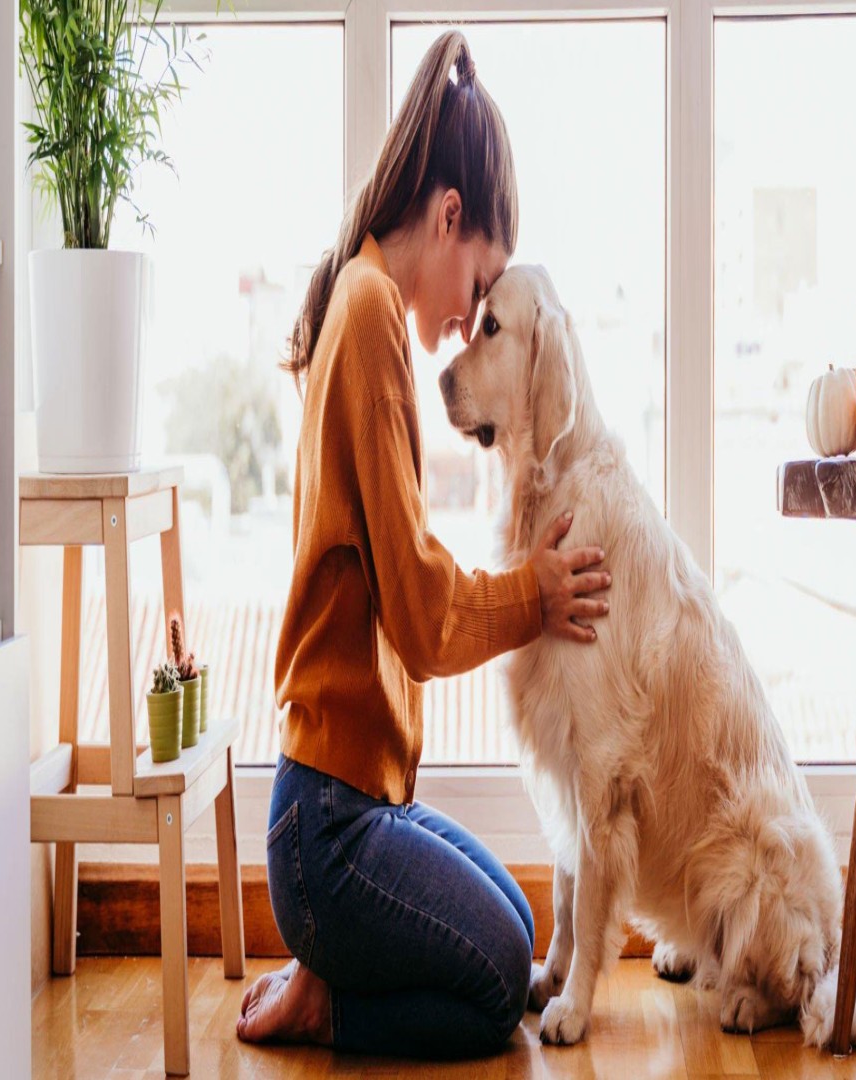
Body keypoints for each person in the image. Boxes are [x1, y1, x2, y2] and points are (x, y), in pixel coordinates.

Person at [236, 30, 610, 1058]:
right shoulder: (368, 318)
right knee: (496, 983)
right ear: (449, 216)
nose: (467, 317)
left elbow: (400, 579)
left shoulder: (364, 302)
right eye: (479, 282)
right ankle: (328, 1000)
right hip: (329, 828)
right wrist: (534, 593)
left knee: (518, 927)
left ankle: (330, 963)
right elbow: (420, 616)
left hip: (353, 807)